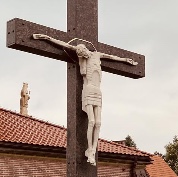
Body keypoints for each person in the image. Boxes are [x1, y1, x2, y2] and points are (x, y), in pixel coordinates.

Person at [32, 34, 138, 165]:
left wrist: (126, 60)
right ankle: (90, 149)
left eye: (83, 52)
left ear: (86, 49)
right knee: (92, 121)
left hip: (98, 92)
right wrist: (45, 37)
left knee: (98, 123)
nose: (84, 54)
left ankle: (93, 149)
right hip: (88, 91)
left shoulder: (97, 55)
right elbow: (63, 44)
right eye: (81, 54)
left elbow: (112, 58)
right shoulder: (83, 61)